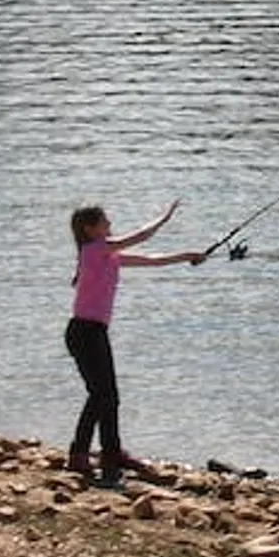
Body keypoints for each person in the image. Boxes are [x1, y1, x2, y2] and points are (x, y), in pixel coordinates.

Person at [64, 200, 205, 487]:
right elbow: (141, 236)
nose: (110, 225)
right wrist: (164, 218)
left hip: (92, 333)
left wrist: (188, 256)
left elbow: (153, 260)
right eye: (105, 222)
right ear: (90, 229)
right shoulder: (94, 250)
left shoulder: (109, 256)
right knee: (103, 395)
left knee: (105, 396)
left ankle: (104, 454)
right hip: (84, 333)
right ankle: (89, 454)